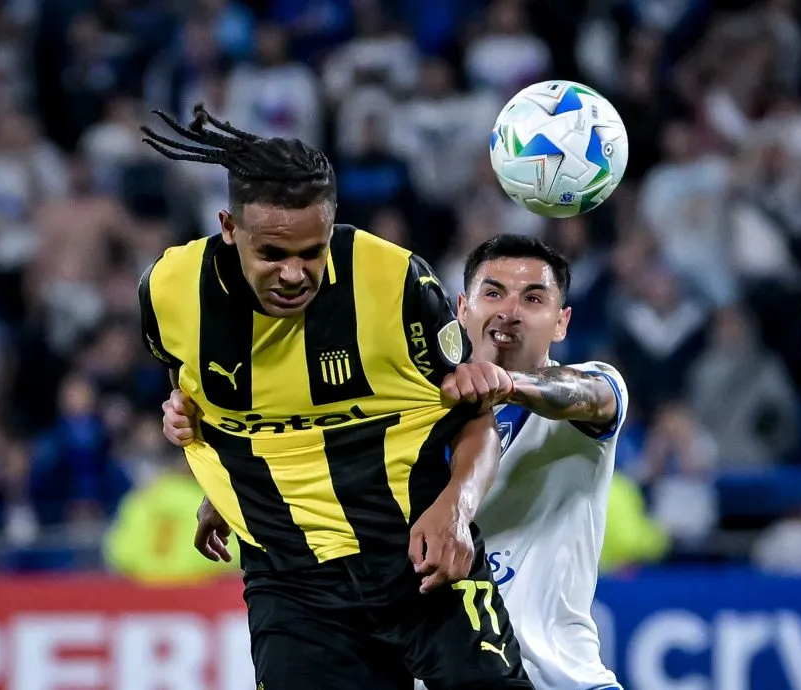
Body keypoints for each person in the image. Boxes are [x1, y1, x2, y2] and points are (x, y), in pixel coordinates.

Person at [138, 105, 533, 690]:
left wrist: (456, 509)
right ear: (229, 227)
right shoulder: (170, 294)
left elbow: (475, 419)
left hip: (419, 559)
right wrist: (223, 484)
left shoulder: (396, 283)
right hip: (292, 586)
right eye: (272, 254)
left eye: (312, 252)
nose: (295, 273)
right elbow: (194, 392)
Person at [165, 234, 630, 690]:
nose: (509, 311)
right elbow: (319, 466)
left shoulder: (588, 391)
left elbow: (586, 396)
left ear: (562, 321)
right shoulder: (408, 411)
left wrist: (507, 383)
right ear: (462, 308)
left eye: (533, 298)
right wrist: (227, 487)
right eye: (493, 293)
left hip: (565, 677)